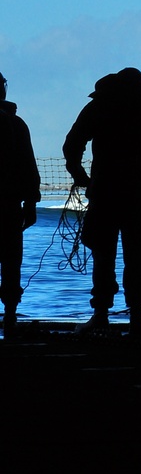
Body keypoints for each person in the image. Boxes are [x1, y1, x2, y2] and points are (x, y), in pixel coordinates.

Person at [64, 69, 141, 336]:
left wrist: (80, 175)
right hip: (135, 192)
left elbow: (73, 144)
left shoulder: (99, 106)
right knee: (136, 256)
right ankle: (138, 316)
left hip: (103, 191)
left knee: (103, 256)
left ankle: (100, 315)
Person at [0, 72, 40, 337]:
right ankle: (11, 315)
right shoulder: (16, 124)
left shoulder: (16, 123)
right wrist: (31, 202)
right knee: (12, 262)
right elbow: (29, 165)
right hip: (9, 204)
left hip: (11, 202)